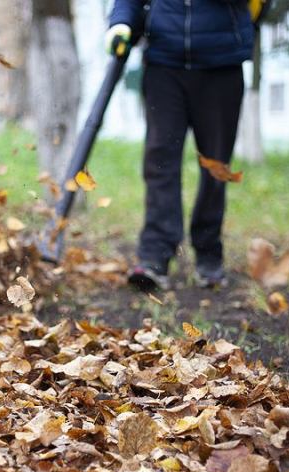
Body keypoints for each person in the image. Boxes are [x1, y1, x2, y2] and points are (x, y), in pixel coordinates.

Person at [105, 0, 259, 291]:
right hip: (165, 63)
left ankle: (209, 253)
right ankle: (155, 255)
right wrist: (120, 23)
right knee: (160, 159)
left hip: (221, 62)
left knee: (216, 165)